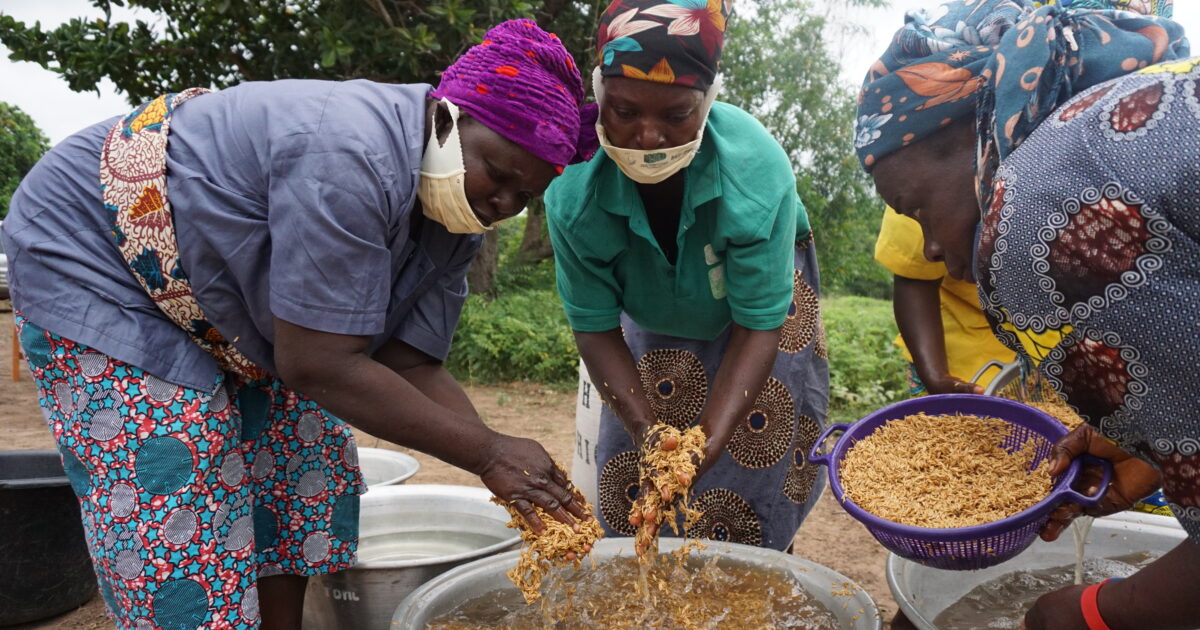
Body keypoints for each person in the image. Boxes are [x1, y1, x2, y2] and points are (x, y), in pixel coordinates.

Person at [3, 20, 595, 630]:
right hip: (97, 259)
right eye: (498, 175)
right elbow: (319, 364)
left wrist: (506, 470)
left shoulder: (455, 218)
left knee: (299, 464)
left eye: (524, 196)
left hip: (224, 304)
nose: (503, 205)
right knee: (174, 495)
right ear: (445, 121)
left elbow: (408, 362)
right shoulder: (350, 151)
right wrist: (488, 451)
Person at [856, 1, 1200, 628]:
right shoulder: (1131, 118)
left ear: (974, 131)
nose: (930, 248)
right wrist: (1154, 449)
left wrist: (1097, 613)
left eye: (918, 208)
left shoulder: (1034, 215)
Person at [546, 0, 829, 552]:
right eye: (624, 111)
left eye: (676, 116)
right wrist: (648, 431)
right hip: (652, 306)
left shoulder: (755, 172)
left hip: (757, 318)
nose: (648, 137)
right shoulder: (574, 192)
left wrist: (705, 444)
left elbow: (757, 326)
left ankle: (758, 563)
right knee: (636, 468)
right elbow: (598, 327)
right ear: (600, 95)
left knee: (752, 454)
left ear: (708, 100)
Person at [875, 206, 1016, 396]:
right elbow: (914, 276)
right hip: (959, 358)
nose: (931, 249)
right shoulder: (910, 195)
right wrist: (936, 377)